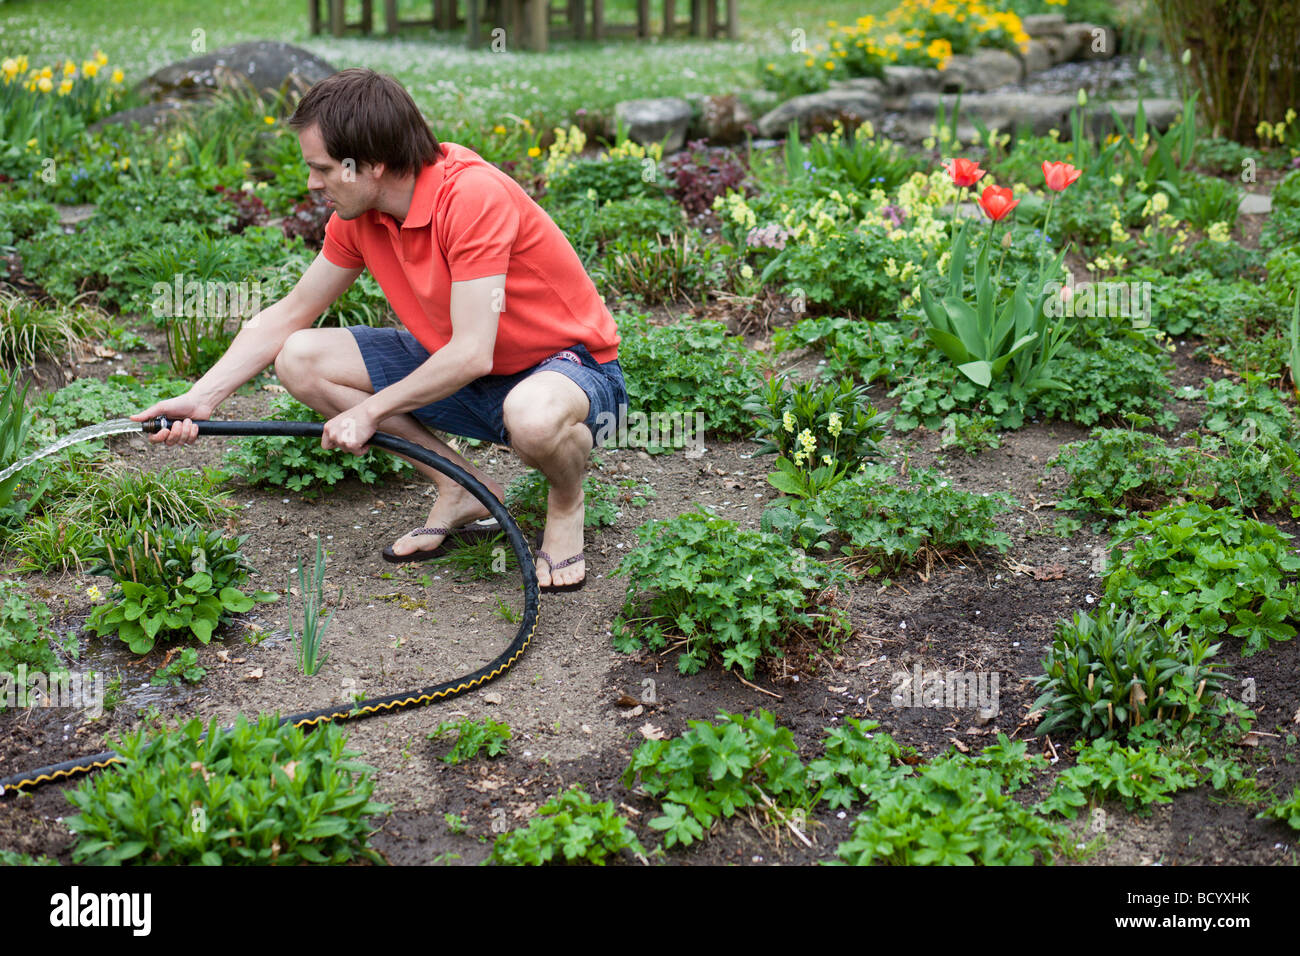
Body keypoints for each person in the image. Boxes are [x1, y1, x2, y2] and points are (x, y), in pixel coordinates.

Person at [132, 68, 627, 593]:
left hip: (568, 371)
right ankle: (463, 489)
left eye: (322, 168)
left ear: (372, 164)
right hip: (466, 368)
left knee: (531, 415)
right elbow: (290, 312)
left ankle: (566, 501)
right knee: (300, 357)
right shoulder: (359, 213)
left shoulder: (471, 198)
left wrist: (370, 411)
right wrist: (201, 397)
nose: (311, 183)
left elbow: (472, 353)